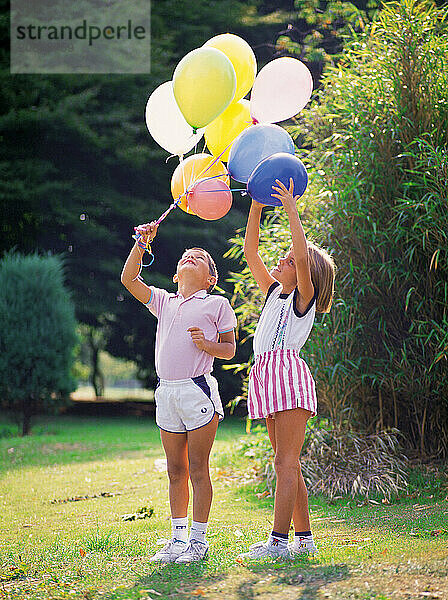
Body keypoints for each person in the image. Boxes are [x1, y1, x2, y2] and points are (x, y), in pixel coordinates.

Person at [121, 222, 237, 563]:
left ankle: (198, 544)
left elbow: (229, 350)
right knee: (175, 471)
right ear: (175, 274)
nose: (190, 258)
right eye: (186, 257)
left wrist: (207, 344)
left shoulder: (217, 304)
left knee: (198, 469)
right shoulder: (164, 301)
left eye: (199, 258)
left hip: (197, 392)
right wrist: (142, 244)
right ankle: (177, 540)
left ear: (209, 279)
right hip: (166, 394)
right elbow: (129, 280)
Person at [239, 178, 335, 559]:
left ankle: (278, 543)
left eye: (290, 260)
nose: (283, 260)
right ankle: (304, 540)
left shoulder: (303, 297)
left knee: (285, 461)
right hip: (265, 376)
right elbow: (249, 252)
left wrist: (292, 209)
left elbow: (300, 249)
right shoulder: (273, 292)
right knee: (285, 464)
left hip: (287, 378)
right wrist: (257, 202)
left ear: (304, 274)